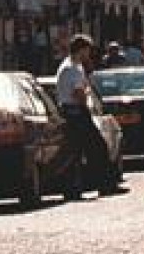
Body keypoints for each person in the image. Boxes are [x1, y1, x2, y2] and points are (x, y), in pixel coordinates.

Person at [54, 35, 127, 199]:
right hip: (76, 112)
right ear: (81, 50)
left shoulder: (74, 66)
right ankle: (104, 185)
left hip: (72, 112)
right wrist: (86, 102)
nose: (89, 53)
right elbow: (78, 93)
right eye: (87, 50)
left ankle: (78, 187)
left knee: (80, 151)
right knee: (96, 147)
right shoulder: (71, 68)